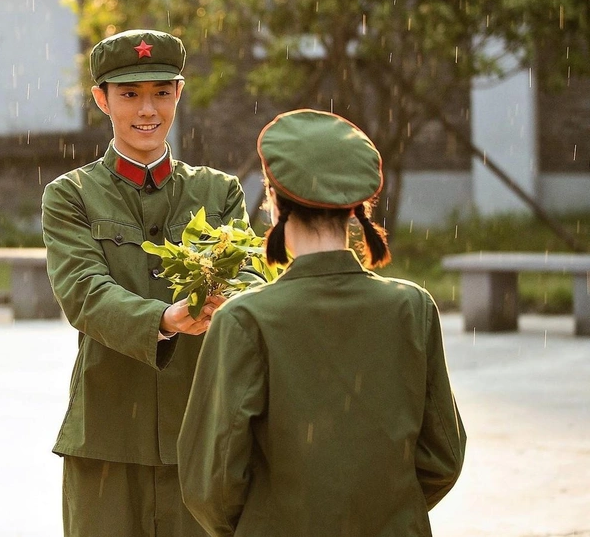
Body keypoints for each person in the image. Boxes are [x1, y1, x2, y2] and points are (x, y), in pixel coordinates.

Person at [177, 109, 467, 536]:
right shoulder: (412, 307)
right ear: (355, 210)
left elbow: (211, 484)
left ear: (274, 202)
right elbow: (444, 458)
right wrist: (379, 514)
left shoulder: (245, 319)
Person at [42, 29, 254, 537]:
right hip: (107, 436)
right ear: (101, 99)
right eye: (129, 94)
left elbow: (249, 275)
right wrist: (163, 318)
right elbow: (83, 292)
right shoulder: (71, 195)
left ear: (179, 93)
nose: (147, 110)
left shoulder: (219, 192)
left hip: (203, 432)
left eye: (161, 92)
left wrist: (227, 301)